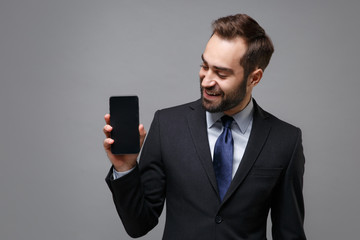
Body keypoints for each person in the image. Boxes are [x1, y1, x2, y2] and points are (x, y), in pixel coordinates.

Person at [103, 13, 306, 240]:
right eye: (204, 66)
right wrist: (125, 169)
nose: (206, 81)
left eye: (221, 73)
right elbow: (138, 225)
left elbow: (290, 234)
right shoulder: (167, 126)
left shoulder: (285, 140)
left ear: (254, 78)